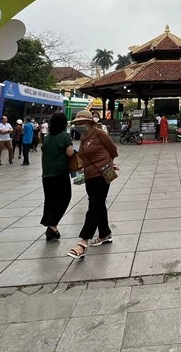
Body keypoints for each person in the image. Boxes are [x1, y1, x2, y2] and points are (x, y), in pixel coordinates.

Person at [67, 110, 119, 260]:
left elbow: (113, 150)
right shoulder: (84, 137)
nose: (79, 125)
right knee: (98, 204)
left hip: (102, 174)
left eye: (82, 122)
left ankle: (83, 243)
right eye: (77, 123)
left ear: (90, 122)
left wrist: (109, 162)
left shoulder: (99, 133)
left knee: (94, 206)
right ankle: (105, 233)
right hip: (90, 175)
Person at [41, 112, 75, 241]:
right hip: (60, 173)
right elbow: (70, 153)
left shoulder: (47, 137)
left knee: (50, 200)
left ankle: (51, 226)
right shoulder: (65, 136)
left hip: (46, 174)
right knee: (64, 198)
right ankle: (52, 225)